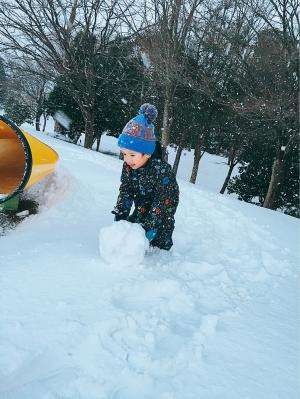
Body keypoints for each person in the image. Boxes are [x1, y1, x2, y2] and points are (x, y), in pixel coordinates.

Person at [112, 103, 179, 251]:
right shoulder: (129, 166)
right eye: (124, 154)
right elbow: (126, 190)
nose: (127, 160)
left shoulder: (161, 172)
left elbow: (161, 202)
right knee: (133, 226)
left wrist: (150, 228)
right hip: (142, 201)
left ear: (147, 154)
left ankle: (161, 248)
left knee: (158, 241)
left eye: (132, 155)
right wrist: (121, 216)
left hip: (164, 206)